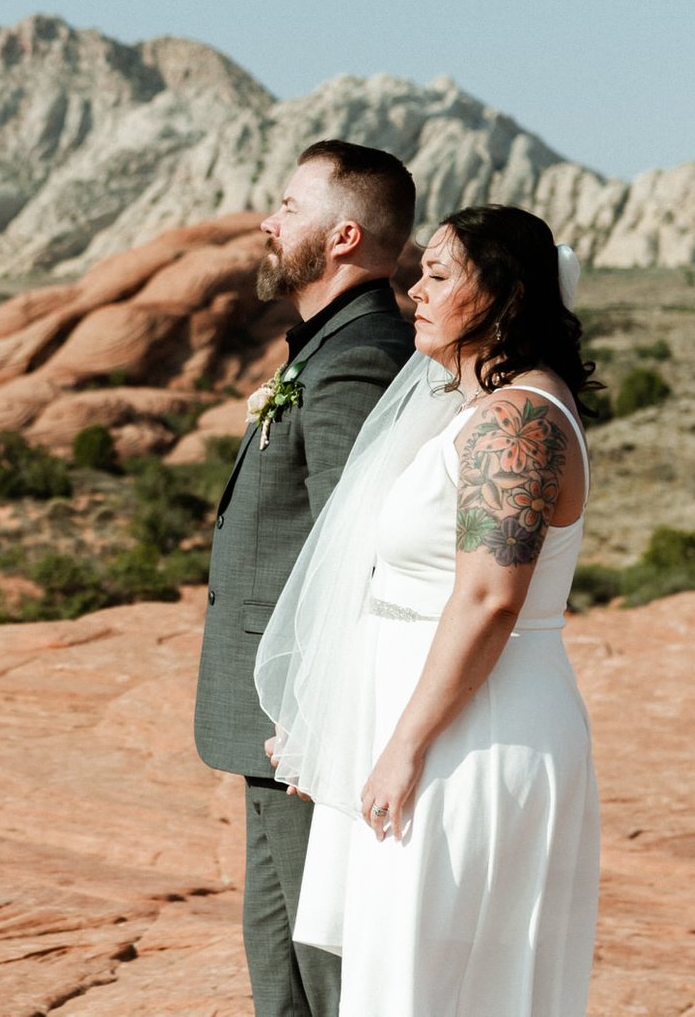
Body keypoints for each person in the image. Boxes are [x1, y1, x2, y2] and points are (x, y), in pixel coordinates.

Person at [255, 203, 602, 1015]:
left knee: (443, 989)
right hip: (434, 718)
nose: (414, 289)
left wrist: (403, 747)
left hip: (476, 734)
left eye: (439, 274)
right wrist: (337, 725)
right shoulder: (471, 409)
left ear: (506, 296)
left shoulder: (517, 423)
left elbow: (487, 600)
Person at [194, 140, 417, 1017]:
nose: (266, 221)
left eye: (289, 207)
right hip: (273, 713)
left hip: (299, 719)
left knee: (323, 964)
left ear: (344, 235)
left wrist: (320, 711)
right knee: (276, 956)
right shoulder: (328, 344)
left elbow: (355, 550)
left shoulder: (359, 356)